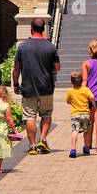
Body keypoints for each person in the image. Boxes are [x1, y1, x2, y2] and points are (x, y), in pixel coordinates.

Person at [12, 17, 60, 155]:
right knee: (46, 114)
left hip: (28, 87)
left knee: (30, 116)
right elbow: (57, 67)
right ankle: (43, 139)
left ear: (31, 29)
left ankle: (32, 145)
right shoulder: (50, 47)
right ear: (43, 29)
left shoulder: (23, 47)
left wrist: (15, 84)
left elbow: (16, 67)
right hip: (46, 87)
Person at [65, 71, 96, 158]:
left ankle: (73, 148)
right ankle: (86, 147)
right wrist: (94, 105)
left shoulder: (71, 91)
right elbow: (92, 97)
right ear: (82, 81)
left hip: (75, 115)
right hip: (86, 114)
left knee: (75, 131)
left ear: (71, 82)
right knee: (86, 131)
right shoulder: (86, 89)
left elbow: (67, 101)